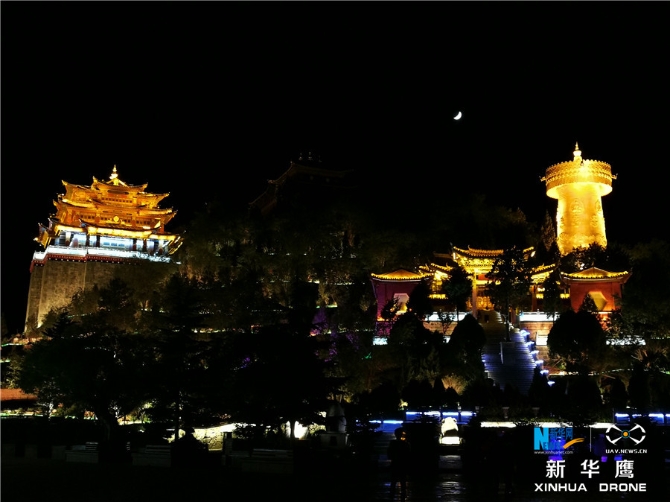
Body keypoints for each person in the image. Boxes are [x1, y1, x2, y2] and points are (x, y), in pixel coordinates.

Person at [388, 427, 412, 500]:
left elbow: (389, 454)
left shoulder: (393, 443)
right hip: (402, 464)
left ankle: (392, 496)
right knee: (402, 481)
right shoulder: (405, 444)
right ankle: (402, 495)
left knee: (394, 481)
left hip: (395, 464)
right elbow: (408, 455)